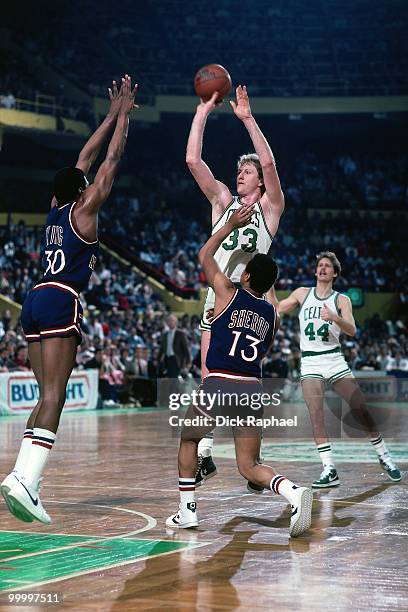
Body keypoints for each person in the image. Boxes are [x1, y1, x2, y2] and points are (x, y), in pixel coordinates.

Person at [0, 75, 138, 524]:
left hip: (33, 298)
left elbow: (84, 157)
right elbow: (109, 159)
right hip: (61, 297)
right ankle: (24, 479)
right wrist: (124, 121)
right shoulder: (84, 209)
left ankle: (25, 478)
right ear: (81, 189)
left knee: (44, 394)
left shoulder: (55, 208)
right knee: (57, 395)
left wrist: (111, 113)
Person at [166, 204, 313, 538]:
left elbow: (205, 253)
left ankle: (187, 512)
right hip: (251, 387)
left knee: (189, 440)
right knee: (250, 466)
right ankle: (292, 491)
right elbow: (266, 348)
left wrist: (229, 224)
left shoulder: (226, 293)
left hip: (219, 383)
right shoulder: (272, 316)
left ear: (245, 276)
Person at [186, 85, 285, 482]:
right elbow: (193, 160)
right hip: (217, 298)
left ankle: (252, 464)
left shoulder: (269, 209)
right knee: (209, 378)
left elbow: (270, 163)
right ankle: (208, 453)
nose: (240, 174)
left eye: (247, 172)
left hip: (247, 307)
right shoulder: (222, 201)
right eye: (240, 171)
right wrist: (202, 111)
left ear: (259, 183)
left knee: (236, 386)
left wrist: (247, 119)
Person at [272, 251, 401, 488]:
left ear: (335, 273)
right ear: (315, 271)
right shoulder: (302, 293)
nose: (322, 268)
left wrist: (335, 318)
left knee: (360, 409)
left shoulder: (341, 300)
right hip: (310, 361)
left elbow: (352, 329)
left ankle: (384, 455)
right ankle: (329, 468)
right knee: (315, 414)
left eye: (327, 266)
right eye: (319, 265)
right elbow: (278, 308)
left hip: (334, 359)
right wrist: (269, 287)